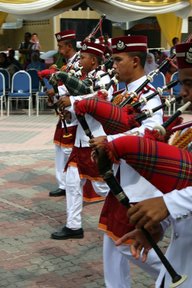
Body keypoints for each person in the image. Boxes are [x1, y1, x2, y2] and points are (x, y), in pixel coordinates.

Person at [114, 41, 192, 288]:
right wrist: (160, 226)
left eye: (190, 83)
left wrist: (168, 204)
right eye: (183, 83)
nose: (183, 92)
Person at [89, 35, 164, 288]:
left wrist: (112, 142)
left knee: (124, 242)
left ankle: (174, 275)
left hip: (137, 180)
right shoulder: (121, 93)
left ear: (134, 61)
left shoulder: (150, 94)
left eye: (118, 60)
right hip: (119, 174)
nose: (114, 65)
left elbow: (153, 130)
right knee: (111, 240)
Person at [51, 41, 113, 240]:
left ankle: (130, 208)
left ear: (93, 61)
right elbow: (78, 104)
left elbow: (101, 99)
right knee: (72, 181)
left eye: (83, 57)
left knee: (104, 186)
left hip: (95, 140)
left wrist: (73, 101)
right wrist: (68, 111)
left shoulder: (104, 77)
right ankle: (74, 225)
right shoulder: (83, 77)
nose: (79, 60)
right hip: (80, 139)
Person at [48, 29, 79, 198]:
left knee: (69, 150)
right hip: (64, 111)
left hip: (74, 111)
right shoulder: (65, 63)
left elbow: (77, 85)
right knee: (59, 147)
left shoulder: (79, 64)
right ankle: (63, 184)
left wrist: (57, 90)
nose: (59, 50)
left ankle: (73, 183)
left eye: (61, 46)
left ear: (69, 46)